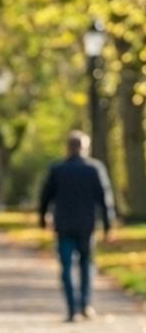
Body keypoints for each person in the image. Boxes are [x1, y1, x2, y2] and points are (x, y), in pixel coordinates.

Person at [38, 130, 116, 322]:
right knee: (86, 265)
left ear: (68, 147)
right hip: (86, 226)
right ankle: (86, 304)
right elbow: (105, 199)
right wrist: (108, 225)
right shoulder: (94, 169)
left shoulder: (57, 169)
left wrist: (42, 218)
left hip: (64, 225)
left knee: (66, 267)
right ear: (85, 147)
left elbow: (45, 196)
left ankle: (72, 308)